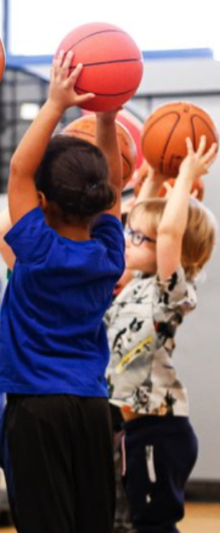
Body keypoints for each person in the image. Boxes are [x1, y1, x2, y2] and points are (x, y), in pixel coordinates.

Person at [0, 51, 131, 532]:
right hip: (93, 409)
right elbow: (113, 187)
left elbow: (16, 170)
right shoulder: (108, 255)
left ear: (43, 202)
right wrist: (108, 120)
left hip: (37, 409)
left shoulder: (36, 250)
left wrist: (56, 103)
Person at [108, 140, 216, 533]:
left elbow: (168, 233)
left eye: (138, 238)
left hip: (160, 429)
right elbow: (143, 223)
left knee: (154, 525)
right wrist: (151, 178)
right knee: (135, 522)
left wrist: (185, 176)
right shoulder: (135, 282)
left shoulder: (170, 291)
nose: (127, 239)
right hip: (133, 429)